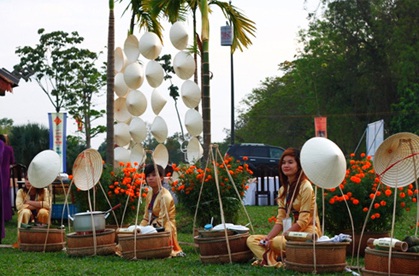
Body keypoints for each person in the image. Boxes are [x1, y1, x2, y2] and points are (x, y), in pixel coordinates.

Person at [246, 148, 322, 267]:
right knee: (252, 240)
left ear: (299, 165)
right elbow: (280, 220)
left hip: (307, 233)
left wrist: (282, 236)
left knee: (277, 242)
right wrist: (267, 238)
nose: (286, 165)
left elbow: (303, 221)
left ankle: (270, 259)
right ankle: (277, 260)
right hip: (290, 234)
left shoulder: (306, 187)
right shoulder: (283, 190)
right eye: (283, 162)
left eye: (290, 162)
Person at [139, 164, 185, 257]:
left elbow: (162, 221)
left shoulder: (165, 196)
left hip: (165, 226)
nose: (150, 178)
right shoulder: (150, 193)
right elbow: (146, 217)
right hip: (152, 224)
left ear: (161, 178)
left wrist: (148, 230)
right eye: (148, 176)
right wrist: (139, 229)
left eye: (154, 175)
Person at [0, 134, 15, 222]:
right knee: (5, 194)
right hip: (5, 173)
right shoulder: (9, 149)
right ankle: (6, 216)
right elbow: (12, 161)